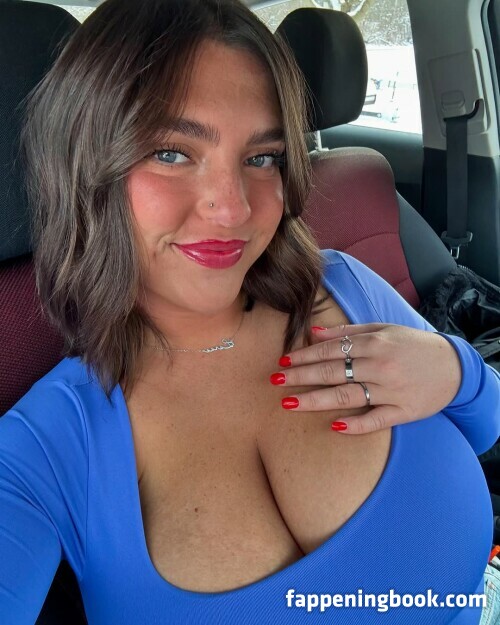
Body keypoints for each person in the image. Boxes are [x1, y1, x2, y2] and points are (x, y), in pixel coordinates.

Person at [1, 0, 499, 623]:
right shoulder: (42, 447)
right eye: (171, 153)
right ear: (83, 166)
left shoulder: (347, 287)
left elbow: (487, 421)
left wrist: (457, 370)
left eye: (262, 157)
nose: (234, 209)